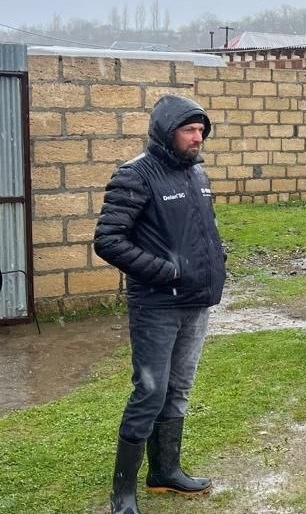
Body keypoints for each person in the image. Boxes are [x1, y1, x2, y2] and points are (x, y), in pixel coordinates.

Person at [94, 95, 226, 514]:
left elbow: (203, 231)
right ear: (166, 132)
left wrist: (214, 265)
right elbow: (109, 240)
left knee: (179, 389)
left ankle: (164, 471)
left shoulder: (197, 173)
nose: (197, 137)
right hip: (156, 305)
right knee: (150, 392)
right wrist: (165, 270)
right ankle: (123, 494)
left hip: (196, 302)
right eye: (189, 130)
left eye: (201, 130)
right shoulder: (135, 175)